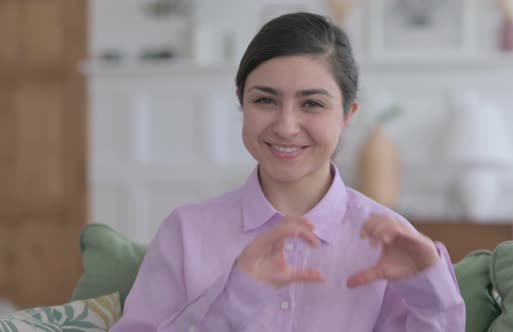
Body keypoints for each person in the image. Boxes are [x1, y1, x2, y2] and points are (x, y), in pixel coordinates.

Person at [110, 12, 465, 332]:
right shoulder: (185, 233)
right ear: (241, 101)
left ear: (346, 115)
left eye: (312, 104)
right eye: (265, 100)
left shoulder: (392, 239)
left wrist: (431, 290)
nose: (286, 126)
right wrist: (234, 300)